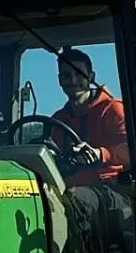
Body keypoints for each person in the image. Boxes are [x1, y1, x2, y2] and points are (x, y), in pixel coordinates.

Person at [50, 48, 129, 186]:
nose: (73, 80)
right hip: (69, 186)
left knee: (76, 201)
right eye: (66, 75)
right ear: (60, 80)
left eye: (79, 74)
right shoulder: (58, 120)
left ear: (91, 78)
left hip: (110, 187)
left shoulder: (113, 110)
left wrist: (100, 154)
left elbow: (132, 151)